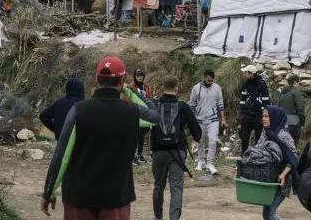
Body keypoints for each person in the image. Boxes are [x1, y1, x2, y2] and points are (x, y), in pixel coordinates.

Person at [41, 56, 160, 219]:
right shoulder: (132, 113)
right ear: (123, 80)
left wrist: (49, 192)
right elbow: (154, 115)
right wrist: (129, 91)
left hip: (79, 198)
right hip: (115, 198)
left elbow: (62, 156)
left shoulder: (78, 111)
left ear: (97, 79)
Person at [150, 76, 202, 220]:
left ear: (163, 88)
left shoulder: (155, 105)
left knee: (158, 186)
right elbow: (197, 133)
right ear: (177, 88)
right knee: (176, 188)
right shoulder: (182, 106)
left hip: (158, 152)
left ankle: (158, 217)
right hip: (177, 153)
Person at [246, 106, 297, 220]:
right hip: (268, 179)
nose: (263, 119)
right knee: (267, 214)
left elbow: (293, 159)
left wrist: (283, 175)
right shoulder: (265, 133)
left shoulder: (284, 136)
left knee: (269, 214)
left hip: (281, 181)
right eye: (263, 116)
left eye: (266, 116)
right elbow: (259, 151)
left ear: (274, 118)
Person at [188, 69, 226, 175]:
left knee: (213, 140)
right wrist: (192, 120)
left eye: (211, 80)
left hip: (213, 119)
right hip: (199, 119)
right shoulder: (196, 88)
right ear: (204, 77)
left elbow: (220, 104)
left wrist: (223, 119)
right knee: (200, 141)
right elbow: (192, 105)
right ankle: (201, 161)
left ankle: (210, 163)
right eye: (208, 80)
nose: (210, 82)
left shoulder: (217, 88)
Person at [239, 65, 271, 153]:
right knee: (244, 138)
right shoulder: (246, 84)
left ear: (251, 73)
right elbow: (242, 100)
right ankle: (243, 156)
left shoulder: (261, 84)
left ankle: (257, 157)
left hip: (258, 116)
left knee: (258, 139)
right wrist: (242, 114)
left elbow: (266, 101)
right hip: (247, 116)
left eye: (245, 73)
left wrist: (263, 115)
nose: (244, 74)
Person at [129, 68, 153, 165]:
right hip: (135, 113)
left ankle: (139, 154)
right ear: (134, 76)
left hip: (144, 114)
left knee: (142, 135)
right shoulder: (131, 87)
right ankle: (133, 156)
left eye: (141, 76)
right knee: (135, 135)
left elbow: (149, 99)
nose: (139, 77)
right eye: (138, 75)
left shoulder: (146, 87)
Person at [275, 74, 307, 143]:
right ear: (295, 82)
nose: (299, 85)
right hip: (294, 124)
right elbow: (300, 109)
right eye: (299, 83)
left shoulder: (282, 94)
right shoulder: (296, 93)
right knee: (293, 146)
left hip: (282, 123)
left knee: (283, 144)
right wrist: (302, 123)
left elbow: (278, 108)